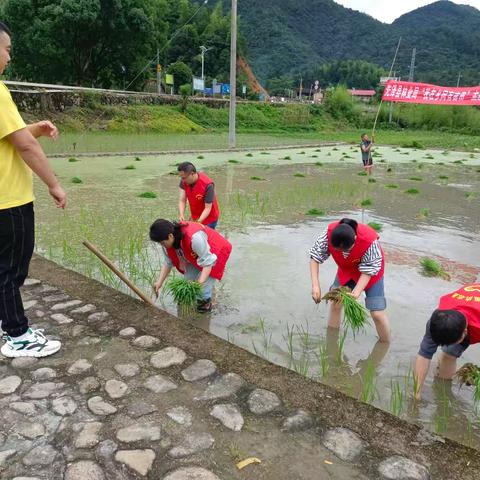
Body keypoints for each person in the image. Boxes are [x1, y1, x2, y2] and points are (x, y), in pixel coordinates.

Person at [0, 21, 67, 358]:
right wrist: (54, 184)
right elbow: (24, 147)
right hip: (8, 201)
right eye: (7, 49)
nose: (9, 57)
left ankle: (7, 321)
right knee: (12, 268)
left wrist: (35, 129)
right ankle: (17, 334)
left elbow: (13, 135)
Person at [309, 218, 390, 342]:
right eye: (337, 250)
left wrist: (356, 292)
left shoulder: (369, 241)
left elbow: (369, 270)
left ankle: (386, 344)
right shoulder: (328, 234)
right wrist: (315, 285)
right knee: (336, 303)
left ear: (355, 239)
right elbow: (315, 257)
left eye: (345, 250)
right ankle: (332, 343)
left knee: (377, 314)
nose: (341, 253)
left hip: (371, 272)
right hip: (346, 270)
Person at [414, 284, 480, 400]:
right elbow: (424, 355)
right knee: (448, 354)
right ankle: (443, 391)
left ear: (465, 332)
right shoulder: (439, 318)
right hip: (469, 305)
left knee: (450, 351)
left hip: (475, 317)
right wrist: (417, 393)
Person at [150, 219, 232, 312]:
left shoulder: (194, 238)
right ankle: (188, 312)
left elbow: (208, 262)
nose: (162, 245)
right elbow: (168, 262)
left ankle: (204, 315)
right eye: (160, 243)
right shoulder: (167, 243)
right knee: (187, 283)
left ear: (170, 236)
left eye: (162, 243)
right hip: (195, 254)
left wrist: (199, 283)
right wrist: (159, 282)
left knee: (202, 290)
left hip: (215, 251)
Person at [178, 162, 220, 229]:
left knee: (205, 237)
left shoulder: (208, 185)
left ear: (192, 174)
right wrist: (181, 215)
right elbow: (182, 200)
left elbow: (208, 208)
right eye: (181, 177)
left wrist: (199, 222)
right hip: (195, 214)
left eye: (184, 178)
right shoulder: (184, 181)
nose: (182, 180)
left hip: (209, 217)